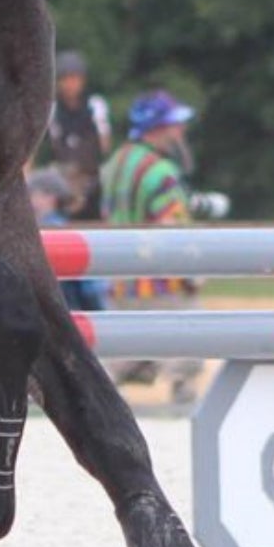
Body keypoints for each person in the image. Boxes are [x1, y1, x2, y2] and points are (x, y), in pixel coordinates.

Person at [97, 89, 204, 404]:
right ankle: (183, 401)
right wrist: (193, 273)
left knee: (120, 356)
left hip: (119, 279)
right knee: (187, 347)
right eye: (175, 125)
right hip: (160, 282)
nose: (180, 132)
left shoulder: (115, 163)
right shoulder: (161, 172)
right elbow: (174, 228)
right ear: (158, 128)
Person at [40, 48, 112, 220]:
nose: (70, 84)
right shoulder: (52, 110)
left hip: (91, 180)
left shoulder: (95, 106)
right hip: (62, 179)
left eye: (75, 79)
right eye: (66, 79)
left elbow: (105, 145)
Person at [26, 165, 107, 314]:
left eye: (34, 194)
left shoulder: (50, 231)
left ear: (50, 197)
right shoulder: (64, 229)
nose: (29, 200)